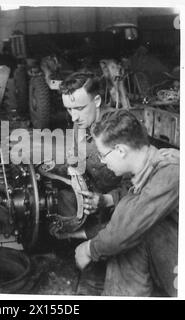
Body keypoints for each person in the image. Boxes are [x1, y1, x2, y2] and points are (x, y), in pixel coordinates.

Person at [74, 110, 179, 296]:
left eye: (102, 154)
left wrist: (89, 249)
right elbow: (136, 204)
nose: (102, 161)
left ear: (121, 150)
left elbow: (127, 227)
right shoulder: (154, 165)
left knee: (131, 237)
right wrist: (108, 201)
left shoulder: (170, 171)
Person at [50, 72, 128, 240]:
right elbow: (78, 160)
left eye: (79, 108)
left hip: (121, 203)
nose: (74, 117)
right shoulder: (81, 123)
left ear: (97, 101)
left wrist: (106, 200)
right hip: (94, 195)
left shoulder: (119, 128)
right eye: (69, 109)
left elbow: (139, 188)